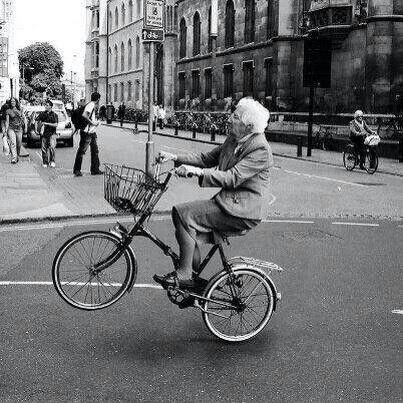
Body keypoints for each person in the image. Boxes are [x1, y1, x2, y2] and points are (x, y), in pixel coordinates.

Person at [153, 97, 273, 289]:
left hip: (244, 210)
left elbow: (232, 177)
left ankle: (184, 275)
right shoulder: (234, 139)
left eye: (235, 116)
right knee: (181, 215)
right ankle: (193, 260)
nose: (229, 118)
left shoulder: (260, 148)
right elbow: (206, 158)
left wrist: (196, 172)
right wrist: (174, 157)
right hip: (230, 202)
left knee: (184, 214)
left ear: (248, 125)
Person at [73, 92, 103, 177]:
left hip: (92, 132)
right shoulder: (91, 105)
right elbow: (84, 115)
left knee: (95, 151)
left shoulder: (91, 105)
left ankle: (95, 169)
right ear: (98, 99)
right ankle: (77, 170)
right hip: (87, 132)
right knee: (82, 151)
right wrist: (93, 123)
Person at [36, 99, 59, 168]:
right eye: (45, 105)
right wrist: (37, 129)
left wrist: (46, 123)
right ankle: (45, 162)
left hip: (52, 133)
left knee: (52, 147)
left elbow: (55, 125)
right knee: (44, 148)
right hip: (44, 134)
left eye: (47, 105)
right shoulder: (42, 114)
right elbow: (37, 121)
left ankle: (52, 161)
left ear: (51, 106)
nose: (45, 106)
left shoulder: (54, 115)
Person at [4, 97, 27, 164]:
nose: (12, 102)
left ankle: (17, 156)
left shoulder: (20, 109)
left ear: (16, 102)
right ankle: (13, 158)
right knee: (13, 143)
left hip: (19, 129)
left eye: (14, 101)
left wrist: (25, 127)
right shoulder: (8, 111)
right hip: (11, 129)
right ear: (10, 103)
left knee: (19, 144)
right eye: (11, 101)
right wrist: (5, 130)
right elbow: (7, 121)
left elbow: (24, 118)